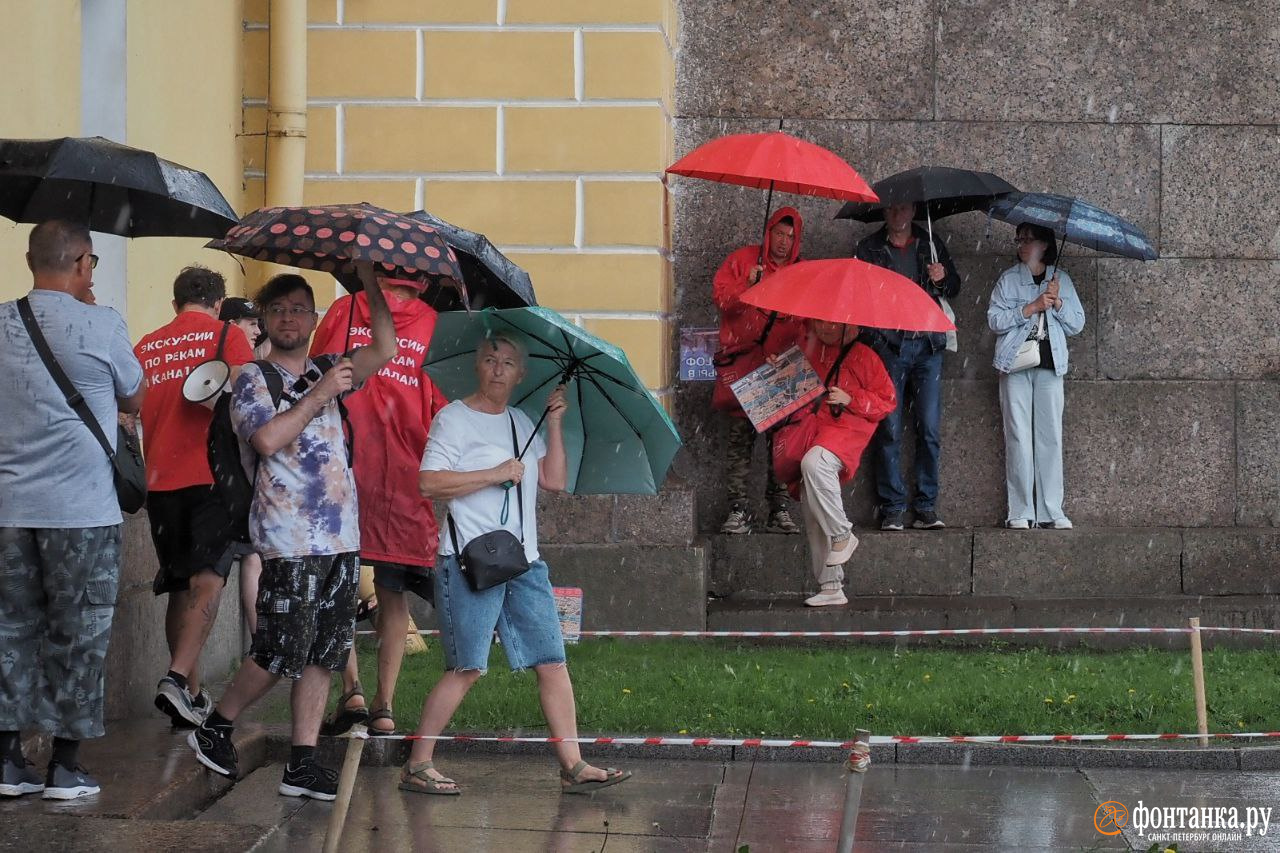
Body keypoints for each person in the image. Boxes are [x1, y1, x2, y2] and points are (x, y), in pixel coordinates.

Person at [187, 267, 396, 800]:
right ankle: (216, 725)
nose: (288, 317)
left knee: (325, 651)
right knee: (281, 648)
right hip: (288, 537)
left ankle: (301, 762)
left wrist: (367, 285)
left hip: (341, 538)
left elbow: (386, 347)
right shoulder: (251, 378)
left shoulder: (333, 364)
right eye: (278, 308)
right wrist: (319, 393)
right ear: (264, 318)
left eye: (299, 308)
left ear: (312, 319)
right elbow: (266, 438)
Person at [403, 333, 631, 796]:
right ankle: (418, 763)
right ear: (477, 366)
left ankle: (573, 764)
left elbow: (553, 480)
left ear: (521, 373)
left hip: (524, 563)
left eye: (508, 362)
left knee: (552, 661)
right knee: (467, 667)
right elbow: (429, 483)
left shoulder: (521, 419)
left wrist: (553, 424)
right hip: (471, 562)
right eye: (490, 359)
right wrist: (495, 473)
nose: (499, 369)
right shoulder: (453, 419)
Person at [0, 220, 145, 799]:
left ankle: (8, 761)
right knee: (79, 630)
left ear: (32, 260)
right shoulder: (101, 322)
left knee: (10, 628)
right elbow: (135, 395)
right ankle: (64, 765)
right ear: (83, 262)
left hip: (10, 507)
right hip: (81, 509)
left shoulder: (2, 321)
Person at [310, 274, 447, 737]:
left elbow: (316, 378)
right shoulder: (435, 326)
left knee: (338, 585)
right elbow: (441, 407)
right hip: (405, 475)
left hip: (342, 463)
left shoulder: (344, 312)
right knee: (392, 593)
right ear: (424, 277)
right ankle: (385, 705)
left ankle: (352, 691)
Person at [134, 266, 255, 727]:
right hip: (211, 475)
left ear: (174, 303)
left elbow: (130, 408)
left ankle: (192, 694)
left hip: (160, 482)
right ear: (220, 304)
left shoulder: (146, 345)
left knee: (177, 585)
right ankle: (177, 677)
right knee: (210, 576)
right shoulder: (228, 336)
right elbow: (247, 397)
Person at [772, 321, 895, 606]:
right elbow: (793, 385)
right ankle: (830, 586)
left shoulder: (864, 355)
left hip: (846, 431)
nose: (822, 328)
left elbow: (887, 401)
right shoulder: (809, 346)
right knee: (811, 502)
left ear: (848, 327)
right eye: (819, 324)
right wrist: (778, 367)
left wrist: (852, 398)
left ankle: (842, 533)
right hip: (815, 429)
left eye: (829, 325)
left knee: (816, 464)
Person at [854, 203, 962, 531]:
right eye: (892, 208)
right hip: (889, 347)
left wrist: (942, 278)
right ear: (885, 212)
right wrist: (878, 339)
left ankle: (926, 506)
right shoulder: (869, 248)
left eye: (903, 208)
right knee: (888, 427)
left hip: (927, 346)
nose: (898, 214)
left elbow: (955, 287)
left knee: (928, 429)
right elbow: (859, 298)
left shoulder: (930, 243)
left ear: (913, 210)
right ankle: (892, 507)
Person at [712, 207, 807, 535]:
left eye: (790, 237)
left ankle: (778, 509)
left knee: (781, 444)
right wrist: (745, 284)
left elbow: (809, 322)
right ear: (769, 232)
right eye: (779, 234)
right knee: (740, 442)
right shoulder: (743, 261)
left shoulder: (801, 273)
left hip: (783, 369)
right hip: (745, 366)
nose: (784, 242)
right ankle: (738, 509)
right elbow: (722, 300)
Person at [987, 223, 1085, 530]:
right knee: (1017, 436)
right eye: (1019, 239)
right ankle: (1020, 510)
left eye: (1028, 240)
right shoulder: (1008, 279)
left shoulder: (1061, 280)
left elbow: (1076, 324)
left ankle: (1051, 510)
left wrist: (1056, 302)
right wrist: (1029, 308)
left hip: (1050, 366)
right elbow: (994, 319)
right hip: (1015, 365)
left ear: (1044, 244)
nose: (1021, 244)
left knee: (1050, 438)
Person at [217, 299, 268, 635]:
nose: (257, 330)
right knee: (251, 557)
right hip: (230, 478)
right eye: (251, 323)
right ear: (231, 324)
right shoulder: (236, 365)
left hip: (222, 476)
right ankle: (260, 640)